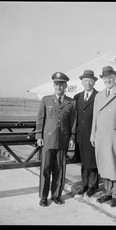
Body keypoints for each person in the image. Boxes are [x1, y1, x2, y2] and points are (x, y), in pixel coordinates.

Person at [35, 71, 77, 207]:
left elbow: (73, 122)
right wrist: (39, 136)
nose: (59, 87)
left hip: (63, 141)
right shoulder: (46, 100)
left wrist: (72, 137)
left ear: (66, 86)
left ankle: (56, 195)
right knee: (45, 170)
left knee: (59, 170)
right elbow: (40, 119)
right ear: (53, 85)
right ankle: (43, 196)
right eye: (56, 84)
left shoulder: (71, 102)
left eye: (61, 84)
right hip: (47, 141)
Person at [90, 66, 116, 207]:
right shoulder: (99, 95)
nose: (107, 80)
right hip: (101, 136)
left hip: (114, 136)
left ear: (115, 77)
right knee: (104, 165)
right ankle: (108, 192)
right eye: (105, 77)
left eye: (110, 77)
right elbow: (95, 116)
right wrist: (93, 135)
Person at [73, 70, 99, 197]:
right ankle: (84, 184)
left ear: (94, 82)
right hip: (81, 135)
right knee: (84, 161)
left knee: (92, 161)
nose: (88, 83)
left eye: (90, 80)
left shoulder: (98, 96)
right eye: (85, 80)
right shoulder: (77, 97)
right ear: (82, 82)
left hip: (92, 134)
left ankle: (92, 186)